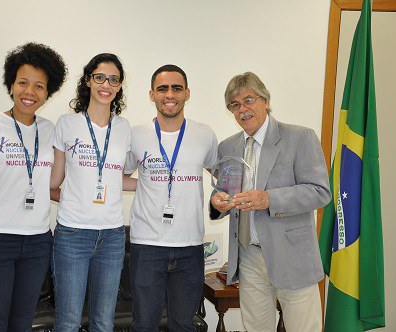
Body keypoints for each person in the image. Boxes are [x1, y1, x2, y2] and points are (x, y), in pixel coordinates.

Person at [210, 72, 331, 332]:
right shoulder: (227, 147)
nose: (243, 109)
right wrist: (217, 202)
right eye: (235, 105)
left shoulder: (299, 137)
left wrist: (269, 199)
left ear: (265, 100)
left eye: (249, 100)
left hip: (292, 255)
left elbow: (319, 192)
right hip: (249, 256)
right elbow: (223, 191)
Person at [0, 42, 67, 331]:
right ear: (11, 84)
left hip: (37, 241)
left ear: (48, 92)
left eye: (39, 86)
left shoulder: (51, 131)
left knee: (22, 324)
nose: (29, 92)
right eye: (23, 83)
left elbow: (50, 185)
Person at [125, 65, 218, 331]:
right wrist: (146, 183)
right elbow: (118, 175)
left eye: (177, 88)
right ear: (152, 94)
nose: (170, 94)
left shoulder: (204, 134)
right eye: (162, 88)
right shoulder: (136, 134)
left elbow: (221, 174)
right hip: (147, 245)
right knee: (144, 325)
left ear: (187, 93)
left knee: (184, 325)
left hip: (190, 246)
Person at [50, 53, 136, 332]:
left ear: (120, 86)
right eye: (99, 77)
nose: (106, 84)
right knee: (68, 322)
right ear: (88, 80)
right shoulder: (67, 124)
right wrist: (75, 197)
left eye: (113, 79)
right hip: (73, 234)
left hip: (112, 236)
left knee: (103, 323)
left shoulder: (124, 129)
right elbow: (54, 182)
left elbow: (117, 179)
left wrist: (158, 183)